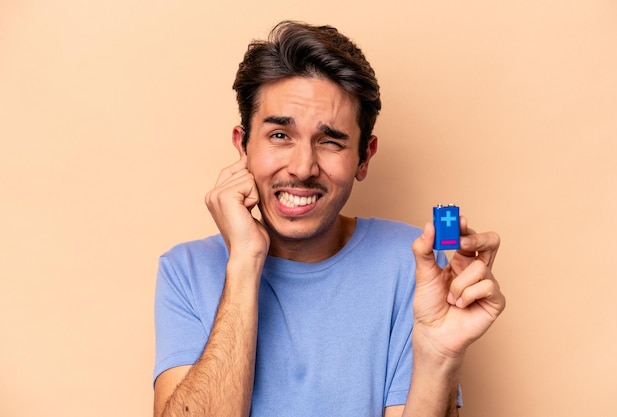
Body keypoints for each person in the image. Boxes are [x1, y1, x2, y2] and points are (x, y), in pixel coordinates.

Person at [152, 21, 505, 417]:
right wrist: (245, 261)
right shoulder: (184, 271)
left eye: (330, 141)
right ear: (243, 145)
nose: (302, 168)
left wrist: (438, 357)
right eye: (280, 136)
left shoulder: (417, 267)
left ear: (364, 158)